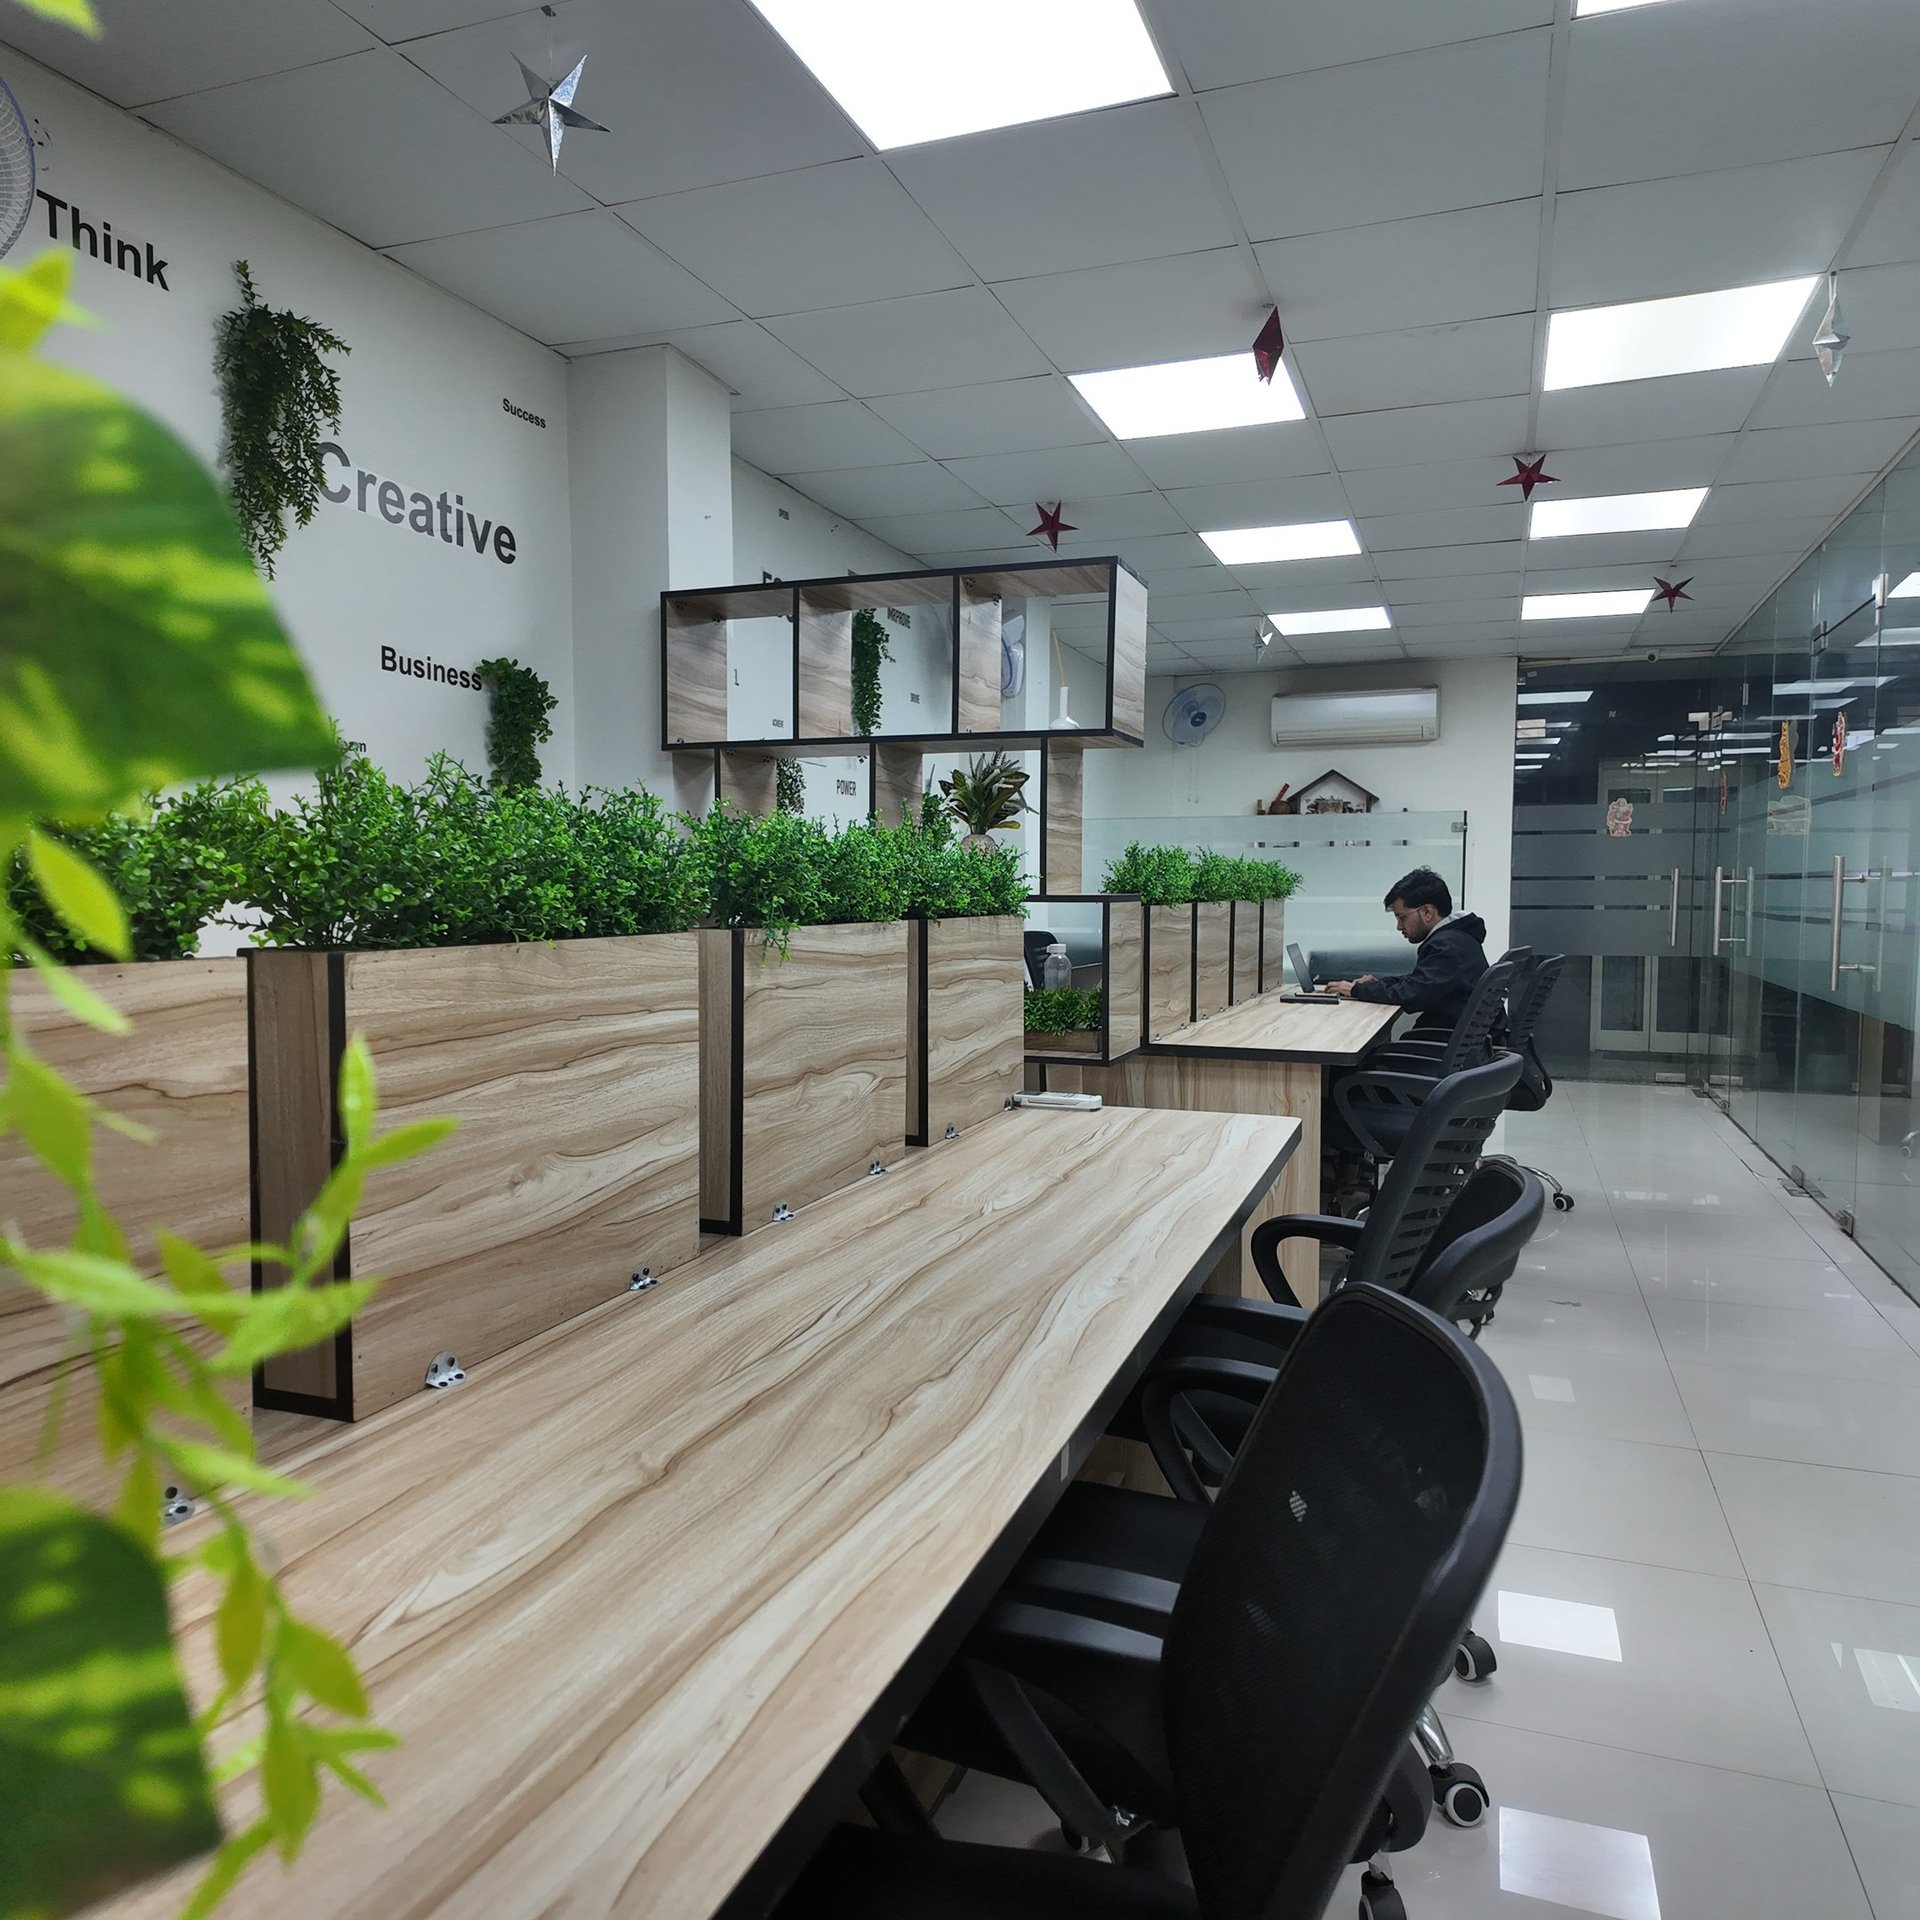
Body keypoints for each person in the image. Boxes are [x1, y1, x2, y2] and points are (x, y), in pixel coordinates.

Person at [1324, 868, 1488, 1033]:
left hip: (1445, 1046)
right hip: (1455, 1042)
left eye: (1402, 917)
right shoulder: (1457, 938)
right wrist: (1379, 984)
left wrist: (1355, 990)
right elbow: (1418, 982)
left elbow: (1411, 996)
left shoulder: (1447, 947)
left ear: (1427, 912)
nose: (1399, 926)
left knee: (1364, 1052)